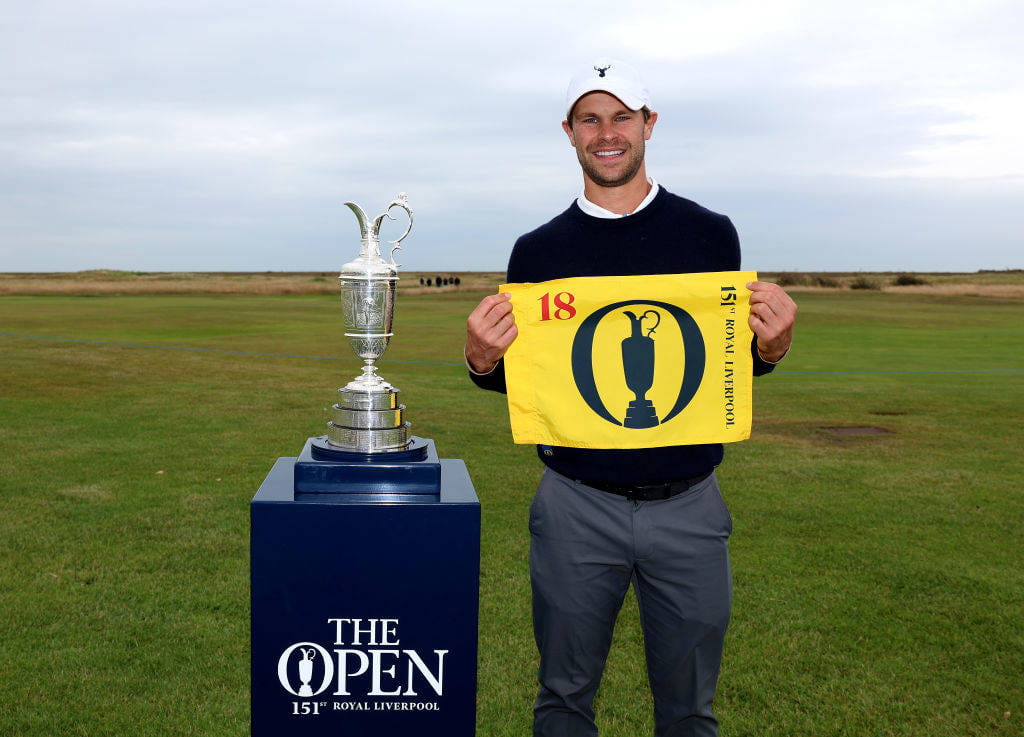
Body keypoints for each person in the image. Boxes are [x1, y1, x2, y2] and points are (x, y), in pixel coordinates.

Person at [465, 59, 796, 737]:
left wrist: (772, 346)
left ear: (649, 124)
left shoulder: (710, 235)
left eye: (622, 116)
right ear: (569, 131)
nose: (607, 133)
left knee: (690, 709)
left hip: (690, 504)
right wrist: (480, 360)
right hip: (574, 505)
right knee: (562, 697)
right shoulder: (537, 252)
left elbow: (722, 370)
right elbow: (530, 377)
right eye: (590, 117)